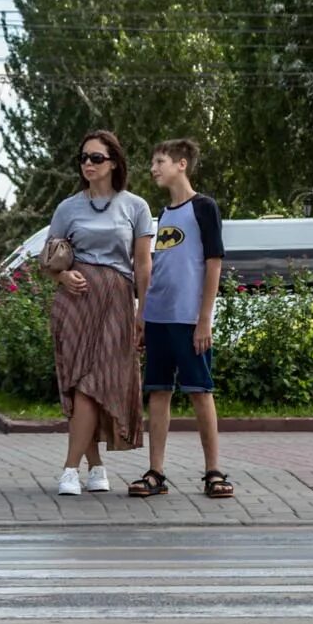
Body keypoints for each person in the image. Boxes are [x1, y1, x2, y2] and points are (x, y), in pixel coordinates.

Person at [48, 129, 153, 496]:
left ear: (113, 163)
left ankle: (70, 469)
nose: (88, 164)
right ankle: (92, 467)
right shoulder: (68, 207)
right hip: (75, 304)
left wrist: (143, 312)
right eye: (83, 158)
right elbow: (49, 259)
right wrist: (62, 276)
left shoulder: (136, 206)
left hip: (116, 302)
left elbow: (142, 265)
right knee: (80, 384)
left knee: (94, 384)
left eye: (96, 158)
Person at [129, 139, 235, 500]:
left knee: (200, 392)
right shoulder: (163, 215)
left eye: (160, 161)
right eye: (153, 162)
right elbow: (157, 269)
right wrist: (142, 316)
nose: (154, 168)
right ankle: (156, 472)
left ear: (182, 164)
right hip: (158, 319)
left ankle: (213, 472)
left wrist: (204, 319)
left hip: (189, 321)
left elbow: (213, 263)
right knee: (158, 392)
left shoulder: (204, 207)